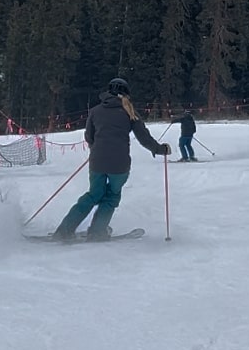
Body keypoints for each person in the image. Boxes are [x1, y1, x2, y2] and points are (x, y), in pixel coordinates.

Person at [53, 78, 170, 239]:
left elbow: (89, 136)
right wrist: (160, 149)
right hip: (119, 165)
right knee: (111, 196)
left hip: (98, 162)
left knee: (93, 194)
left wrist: (96, 149)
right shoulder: (130, 112)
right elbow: (143, 138)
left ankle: (64, 231)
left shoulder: (95, 111)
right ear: (126, 94)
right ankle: (97, 231)